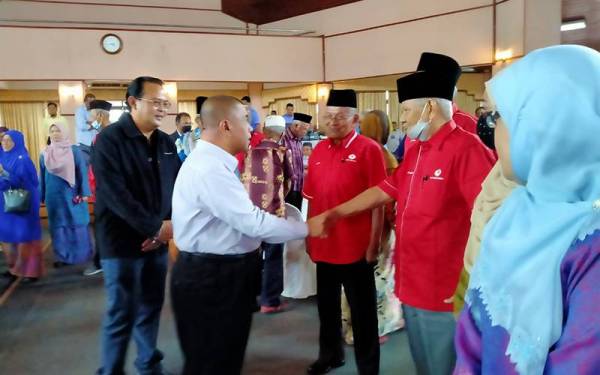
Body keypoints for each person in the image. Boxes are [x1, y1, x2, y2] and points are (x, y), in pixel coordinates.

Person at [308, 54, 495, 375]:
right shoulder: (418, 149)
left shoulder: (467, 149)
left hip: (445, 290)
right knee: (424, 364)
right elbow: (385, 189)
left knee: (445, 367)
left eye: (406, 110)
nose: (402, 119)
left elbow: (490, 220)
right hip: (411, 284)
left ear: (430, 108)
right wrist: (336, 213)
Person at [455, 45, 600, 375]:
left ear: (546, 123)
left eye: (500, 116)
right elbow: (474, 331)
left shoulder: (591, 242)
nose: (493, 132)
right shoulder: (518, 209)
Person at [170, 96, 308, 375]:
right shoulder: (209, 168)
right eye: (245, 120)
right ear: (225, 125)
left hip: (219, 273)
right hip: (212, 277)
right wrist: (308, 228)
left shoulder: (216, 163)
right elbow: (253, 223)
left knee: (223, 356)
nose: (251, 129)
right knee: (213, 361)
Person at [92, 76, 181, 375]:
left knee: (151, 306)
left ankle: (147, 362)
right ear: (132, 102)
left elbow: (176, 189)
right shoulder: (109, 140)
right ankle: (111, 369)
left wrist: (163, 230)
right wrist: (155, 228)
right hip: (120, 244)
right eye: (155, 102)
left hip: (156, 242)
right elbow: (115, 195)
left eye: (164, 103)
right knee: (122, 312)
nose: (162, 109)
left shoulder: (166, 142)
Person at [303, 89, 385, 375]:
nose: (333, 121)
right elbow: (311, 200)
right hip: (325, 245)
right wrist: (309, 237)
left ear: (355, 119)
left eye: (340, 116)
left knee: (363, 314)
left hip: (356, 247)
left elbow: (379, 201)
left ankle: (368, 367)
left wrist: (374, 243)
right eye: (328, 116)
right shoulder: (318, 150)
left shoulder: (369, 150)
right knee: (326, 309)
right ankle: (330, 355)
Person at [341, 110, 404, 345]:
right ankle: (372, 329)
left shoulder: (352, 153)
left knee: (352, 279)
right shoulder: (385, 157)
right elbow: (387, 200)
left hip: (352, 225)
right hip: (378, 229)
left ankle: (349, 324)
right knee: (378, 280)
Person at [241, 114, 294, 313]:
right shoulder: (281, 151)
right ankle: (269, 301)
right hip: (273, 212)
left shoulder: (249, 150)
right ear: (281, 133)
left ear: (264, 129)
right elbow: (290, 182)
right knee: (273, 255)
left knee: (252, 255)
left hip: (250, 212)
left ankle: (251, 298)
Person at [41, 123, 93, 267]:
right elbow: (42, 175)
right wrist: (42, 195)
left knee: (76, 224)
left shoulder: (74, 151)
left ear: (64, 132)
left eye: (58, 130)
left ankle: (81, 254)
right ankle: (62, 257)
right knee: (58, 227)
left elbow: (82, 171)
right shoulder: (45, 152)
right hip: (54, 197)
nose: (55, 133)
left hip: (72, 195)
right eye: (52, 130)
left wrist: (84, 192)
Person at [0, 130, 43, 283]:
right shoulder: (1, 156)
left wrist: (4, 173)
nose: (5, 143)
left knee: (25, 236)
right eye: (3, 140)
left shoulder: (23, 159)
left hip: (22, 202)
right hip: (4, 203)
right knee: (8, 236)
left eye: (9, 140)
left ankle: (31, 272)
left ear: (17, 142)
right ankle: (14, 269)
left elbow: (24, 182)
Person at [83, 99, 113, 277]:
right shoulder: (100, 134)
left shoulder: (109, 135)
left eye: (91, 117)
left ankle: (103, 261)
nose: (89, 122)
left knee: (104, 226)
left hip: (108, 190)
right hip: (101, 189)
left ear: (100, 116)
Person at [281, 112, 311, 211]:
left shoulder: (298, 141)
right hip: (287, 189)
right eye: (305, 129)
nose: (306, 132)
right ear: (296, 125)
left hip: (299, 187)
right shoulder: (282, 139)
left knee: (297, 216)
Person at [75, 93, 98, 164]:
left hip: (95, 143)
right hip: (84, 143)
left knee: (95, 165)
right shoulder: (80, 110)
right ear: (85, 102)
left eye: (93, 102)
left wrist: (89, 123)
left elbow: (98, 125)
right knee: (85, 165)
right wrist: (94, 124)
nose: (91, 104)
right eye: (89, 102)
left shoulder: (96, 111)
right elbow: (82, 126)